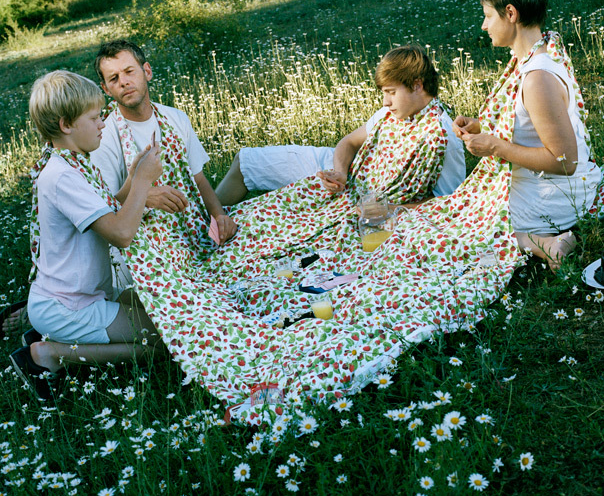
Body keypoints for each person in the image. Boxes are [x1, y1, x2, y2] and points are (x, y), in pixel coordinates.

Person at [10, 71, 165, 400]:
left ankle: (48, 334)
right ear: (67, 124)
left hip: (79, 297)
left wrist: (135, 178)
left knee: (165, 312)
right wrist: (142, 184)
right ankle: (47, 353)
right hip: (68, 306)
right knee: (165, 341)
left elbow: (107, 208)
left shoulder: (75, 163)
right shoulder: (63, 177)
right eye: (94, 118)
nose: (102, 125)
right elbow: (121, 233)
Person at [452, 0, 603, 268]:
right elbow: (527, 120)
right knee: (454, 216)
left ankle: (546, 241)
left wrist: (495, 146)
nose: (484, 26)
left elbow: (564, 161)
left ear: (510, 13)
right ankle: (543, 237)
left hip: (554, 195)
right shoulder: (539, 52)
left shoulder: (537, 78)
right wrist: (481, 126)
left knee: (457, 235)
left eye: (488, 16)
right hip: (548, 186)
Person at [214, 44, 466, 206]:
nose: (385, 101)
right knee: (246, 161)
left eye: (391, 92)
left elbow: (447, 202)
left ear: (417, 85)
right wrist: (340, 172)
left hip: (365, 202)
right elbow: (348, 142)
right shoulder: (392, 113)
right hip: (341, 175)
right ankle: (201, 225)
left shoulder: (443, 135)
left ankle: (202, 235)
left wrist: (390, 209)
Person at [91, 39, 237, 244]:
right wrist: (143, 195)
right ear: (106, 89)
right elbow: (104, 206)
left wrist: (219, 215)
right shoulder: (103, 138)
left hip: (193, 231)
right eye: (114, 78)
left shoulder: (175, 118)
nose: (123, 82)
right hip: (146, 247)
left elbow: (199, 180)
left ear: (147, 72)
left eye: (129, 71)